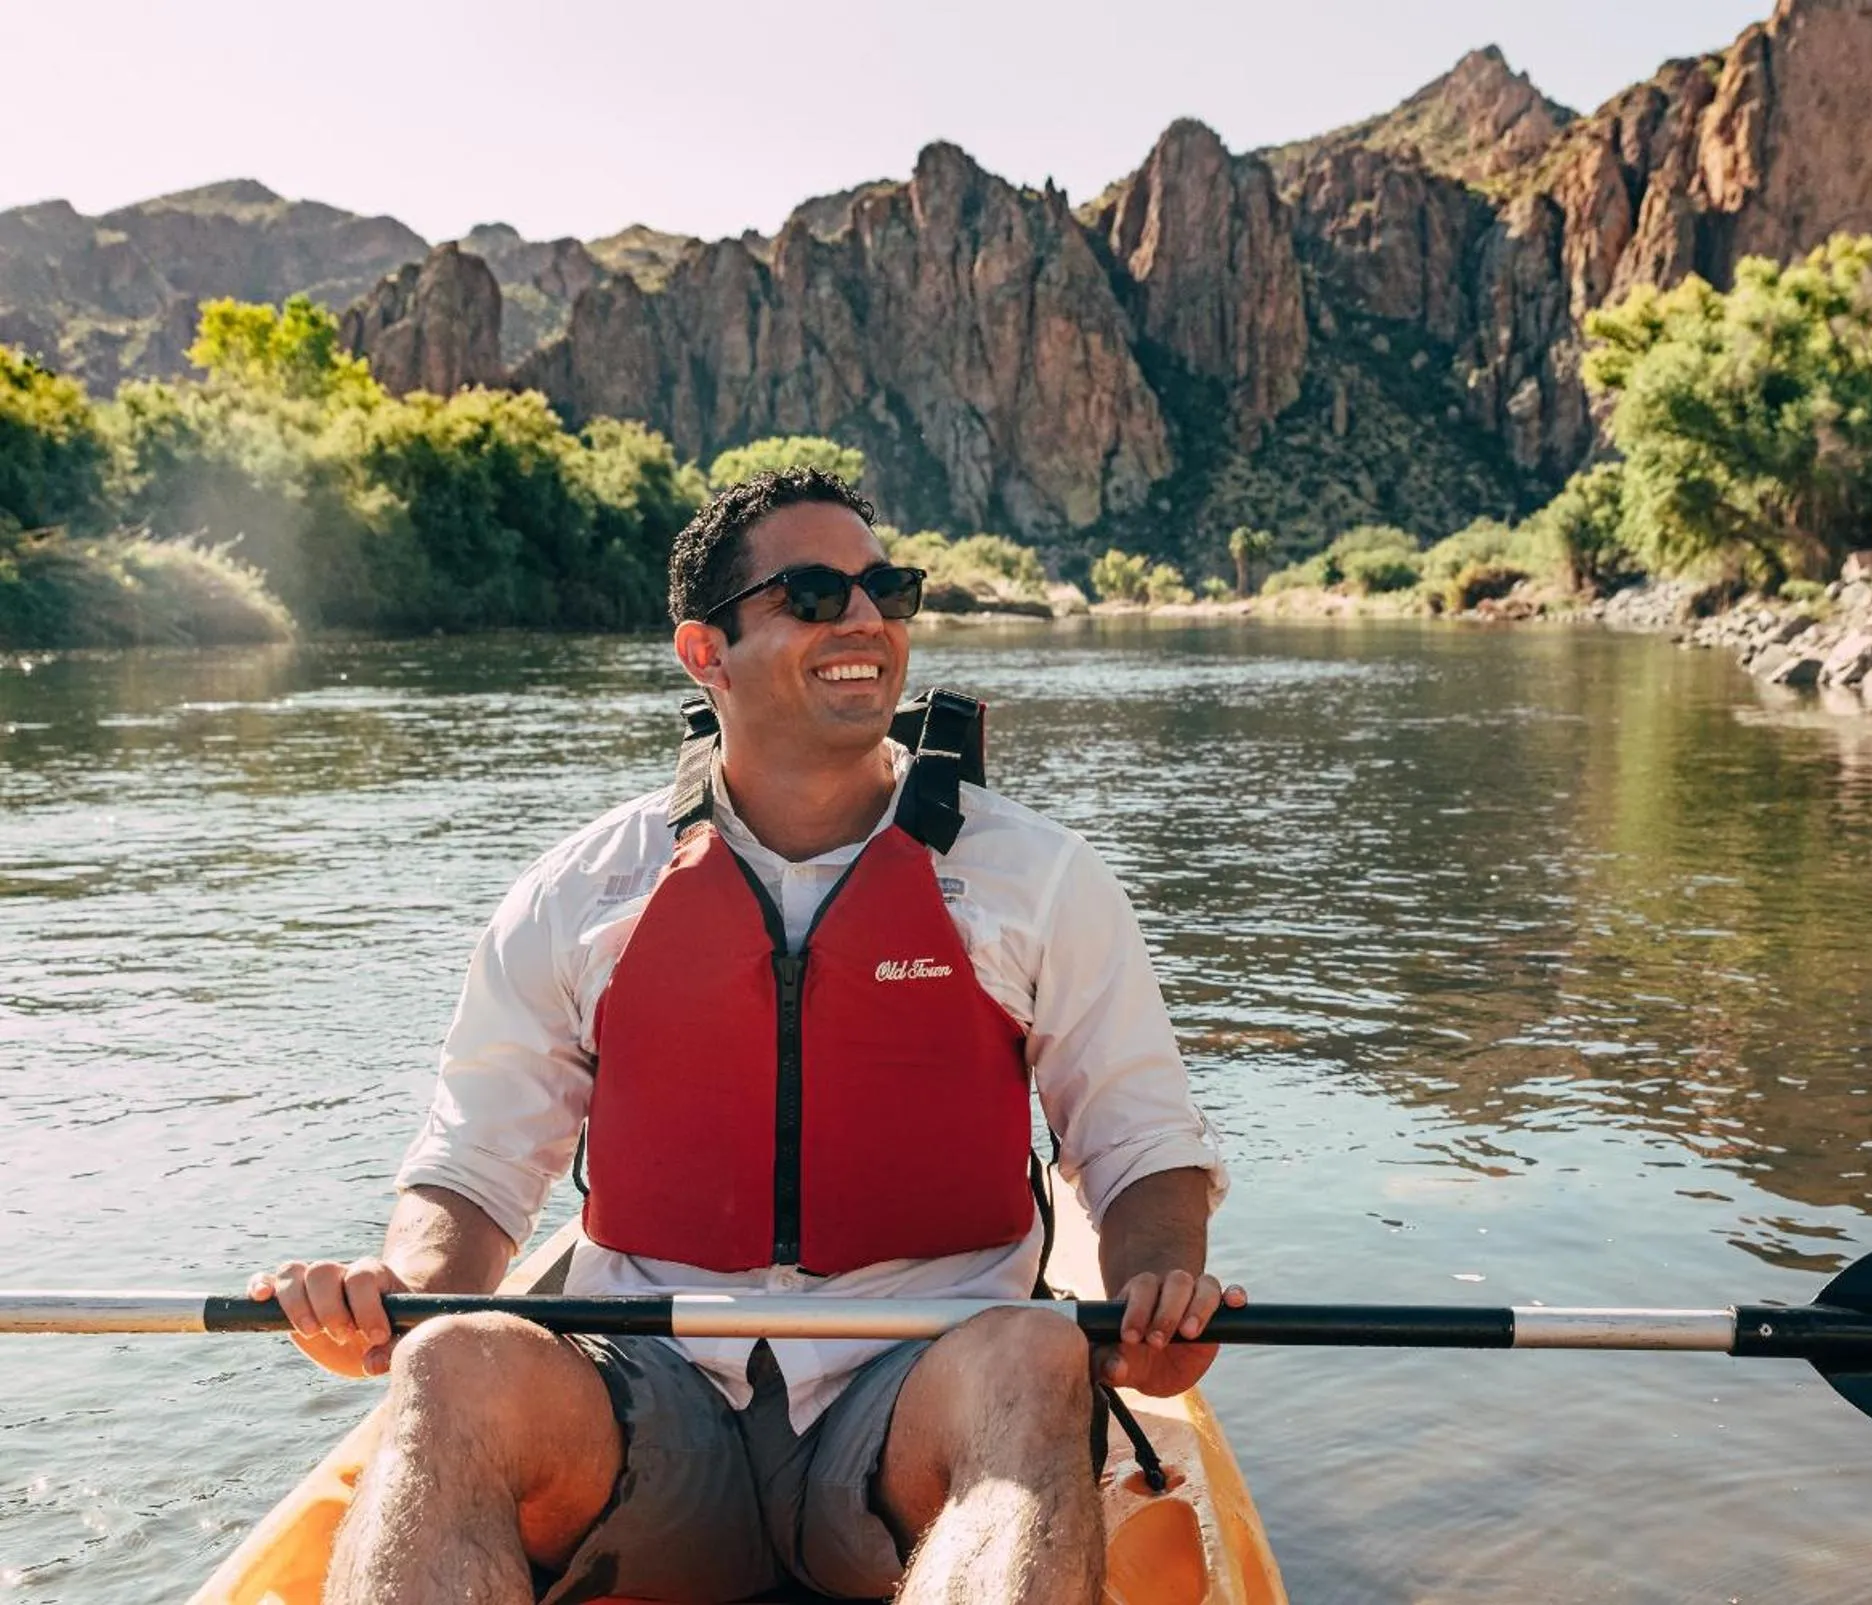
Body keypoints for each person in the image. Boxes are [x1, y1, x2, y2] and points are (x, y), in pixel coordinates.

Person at [251, 467, 1238, 1605]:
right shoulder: (577, 896)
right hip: (645, 1401)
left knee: (1034, 1353)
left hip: (921, 1396)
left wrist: (1158, 1289)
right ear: (702, 652)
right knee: (450, 1360)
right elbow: (473, 1168)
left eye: (888, 589)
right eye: (814, 594)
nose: (865, 619)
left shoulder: (1038, 880)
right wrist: (401, 1296)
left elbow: (1140, 1143)